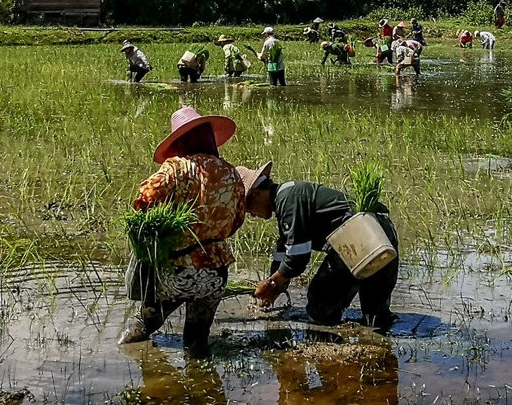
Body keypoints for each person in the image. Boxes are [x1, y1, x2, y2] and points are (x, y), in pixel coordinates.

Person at [119, 107, 247, 357]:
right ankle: (202, 387)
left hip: (177, 270)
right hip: (215, 273)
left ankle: (124, 359)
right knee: (197, 340)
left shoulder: (176, 168)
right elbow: (236, 222)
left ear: (180, 141)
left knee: (144, 323)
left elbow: (143, 201)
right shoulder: (232, 173)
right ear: (209, 139)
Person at [236, 162, 399, 330]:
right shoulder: (288, 195)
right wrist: (277, 283)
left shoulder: (288, 200)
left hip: (360, 241)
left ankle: (331, 342)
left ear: (255, 194)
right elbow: (284, 247)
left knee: (319, 305)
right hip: (383, 236)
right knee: (375, 317)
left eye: (248, 209)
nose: (251, 215)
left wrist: (271, 283)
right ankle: (379, 348)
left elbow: (297, 258)